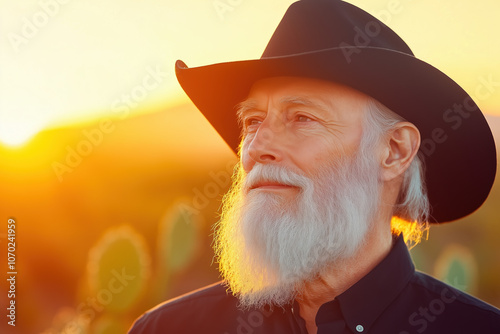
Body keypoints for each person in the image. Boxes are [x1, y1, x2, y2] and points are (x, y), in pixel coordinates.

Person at [129, 0, 500, 333]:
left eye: (302, 117)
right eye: (253, 121)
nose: (257, 148)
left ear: (393, 151)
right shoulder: (170, 328)